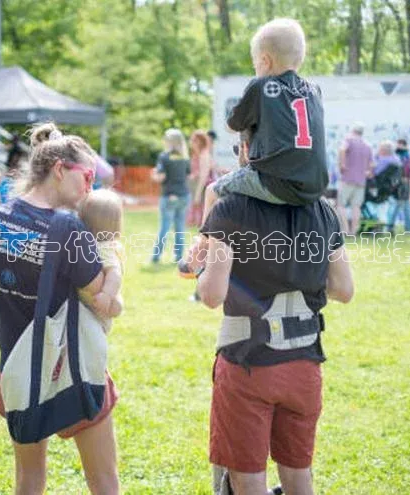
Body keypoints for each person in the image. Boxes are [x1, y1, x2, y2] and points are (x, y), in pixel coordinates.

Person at [183, 131, 354, 493]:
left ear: (247, 150)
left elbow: (212, 295)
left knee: (247, 479)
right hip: (304, 364)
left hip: (249, 362)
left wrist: (200, 271)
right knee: (297, 476)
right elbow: (344, 289)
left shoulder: (230, 208)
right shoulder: (324, 209)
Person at [0, 122, 120, 495]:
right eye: (87, 176)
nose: (90, 187)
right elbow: (106, 306)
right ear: (60, 169)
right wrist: (112, 262)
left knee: (28, 478)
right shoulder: (68, 230)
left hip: (17, 371)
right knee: (103, 480)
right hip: (69, 368)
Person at [202, 18, 328, 231]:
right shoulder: (314, 90)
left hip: (276, 182)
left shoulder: (262, 85)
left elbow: (233, 124)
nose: (256, 70)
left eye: (255, 65)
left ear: (265, 61)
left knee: (212, 192)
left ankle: (203, 250)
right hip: (314, 186)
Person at [78, 188, 124, 334]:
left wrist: (106, 295)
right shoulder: (98, 243)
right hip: (89, 305)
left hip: (98, 308)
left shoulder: (103, 246)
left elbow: (114, 272)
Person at [151, 128, 191, 263]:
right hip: (184, 195)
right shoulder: (185, 157)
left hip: (169, 196)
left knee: (164, 227)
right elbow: (188, 175)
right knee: (180, 228)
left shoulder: (164, 156)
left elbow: (161, 177)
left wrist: (154, 174)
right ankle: (179, 257)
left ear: (170, 141)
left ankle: (156, 257)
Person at [337, 123, 373, 234]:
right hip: (361, 180)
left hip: (348, 178)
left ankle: (345, 229)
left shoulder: (349, 139)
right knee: (356, 207)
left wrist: (342, 164)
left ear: (353, 131)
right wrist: (367, 173)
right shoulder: (367, 145)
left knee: (340, 205)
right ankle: (353, 232)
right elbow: (371, 165)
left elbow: (342, 150)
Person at [188, 130, 214, 227]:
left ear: (199, 142)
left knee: (203, 218)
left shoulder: (204, 155)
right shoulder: (197, 155)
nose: (191, 143)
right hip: (196, 187)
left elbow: (204, 176)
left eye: (194, 140)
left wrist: (197, 194)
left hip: (203, 188)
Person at [387, 138, 410, 233]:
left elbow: (407, 170)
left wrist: (405, 178)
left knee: (400, 205)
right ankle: (408, 228)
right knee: (402, 206)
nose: (398, 146)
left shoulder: (406, 157)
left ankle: (391, 227)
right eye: (397, 144)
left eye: (400, 144)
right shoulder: (397, 155)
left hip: (403, 184)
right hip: (398, 184)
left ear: (404, 145)